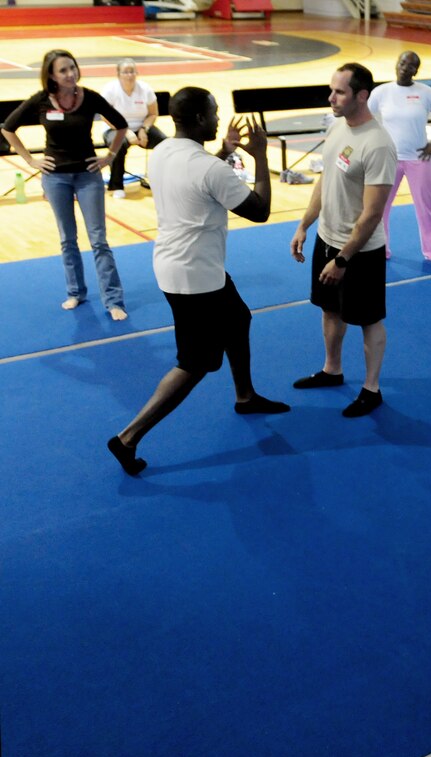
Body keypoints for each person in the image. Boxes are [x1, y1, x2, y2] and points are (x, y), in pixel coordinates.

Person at [107, 87, 288, 476]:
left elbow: (199, 177)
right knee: (196, 363)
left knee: (238, 319)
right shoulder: (210, 168)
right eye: (215, 113)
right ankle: (127, 437)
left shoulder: (164, 152)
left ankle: (245, 395)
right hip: (195, 278)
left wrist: (224, 151)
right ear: (202, 120)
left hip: (182, 267)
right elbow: (260, 211)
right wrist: (259, 157)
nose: (220, 117)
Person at [290, 63, 397, 418]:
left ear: (362, 96)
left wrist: (343, 259)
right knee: (329, 309)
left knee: (368, 320)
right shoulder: (337, 126)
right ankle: (332, 369)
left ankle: (372, 388)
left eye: (339, 92)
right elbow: (325, 181)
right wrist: (305, 224)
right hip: (326, 239)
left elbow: (372, 214)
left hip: (359, 251)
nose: (330, 97)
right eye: (332, 90)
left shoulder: (378, 144)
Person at [1, 49, 130, 320]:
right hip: (55, 178)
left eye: (72, 67)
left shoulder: (90, 97)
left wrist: (110, 156)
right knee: (67, 239)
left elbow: (121, 125)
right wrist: (29, 160)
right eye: (63, 70)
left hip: (88, 176)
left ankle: (113, 299)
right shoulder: (40, 101)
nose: (70, 74)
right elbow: (8, 127)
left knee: (99, 240)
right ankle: (76, 292)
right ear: (51, 75)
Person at [369, 51, 431, 264]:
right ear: (396, 64)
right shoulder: (382, 92)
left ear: (415, 71)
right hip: (389, 159)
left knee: (427, 206)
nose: (404, 68)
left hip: (419, 159)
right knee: (379, 207)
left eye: (410, 66)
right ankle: (378, 248)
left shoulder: (426, 93)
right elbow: (365, 117)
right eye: (402, 63)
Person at [101, 58, 168, 199]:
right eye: (125, 72)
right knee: (118, 144)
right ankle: (117, 186)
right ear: (118, 74)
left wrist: (145, 128)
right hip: (115, 128)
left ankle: (164, 181)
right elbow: (105, 117)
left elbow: (153, 113)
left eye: (132, 71)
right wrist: (125, 131)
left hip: (141, 126)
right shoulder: (110, 90)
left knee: (166, 144)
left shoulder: (145, 89)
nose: (129, 75)